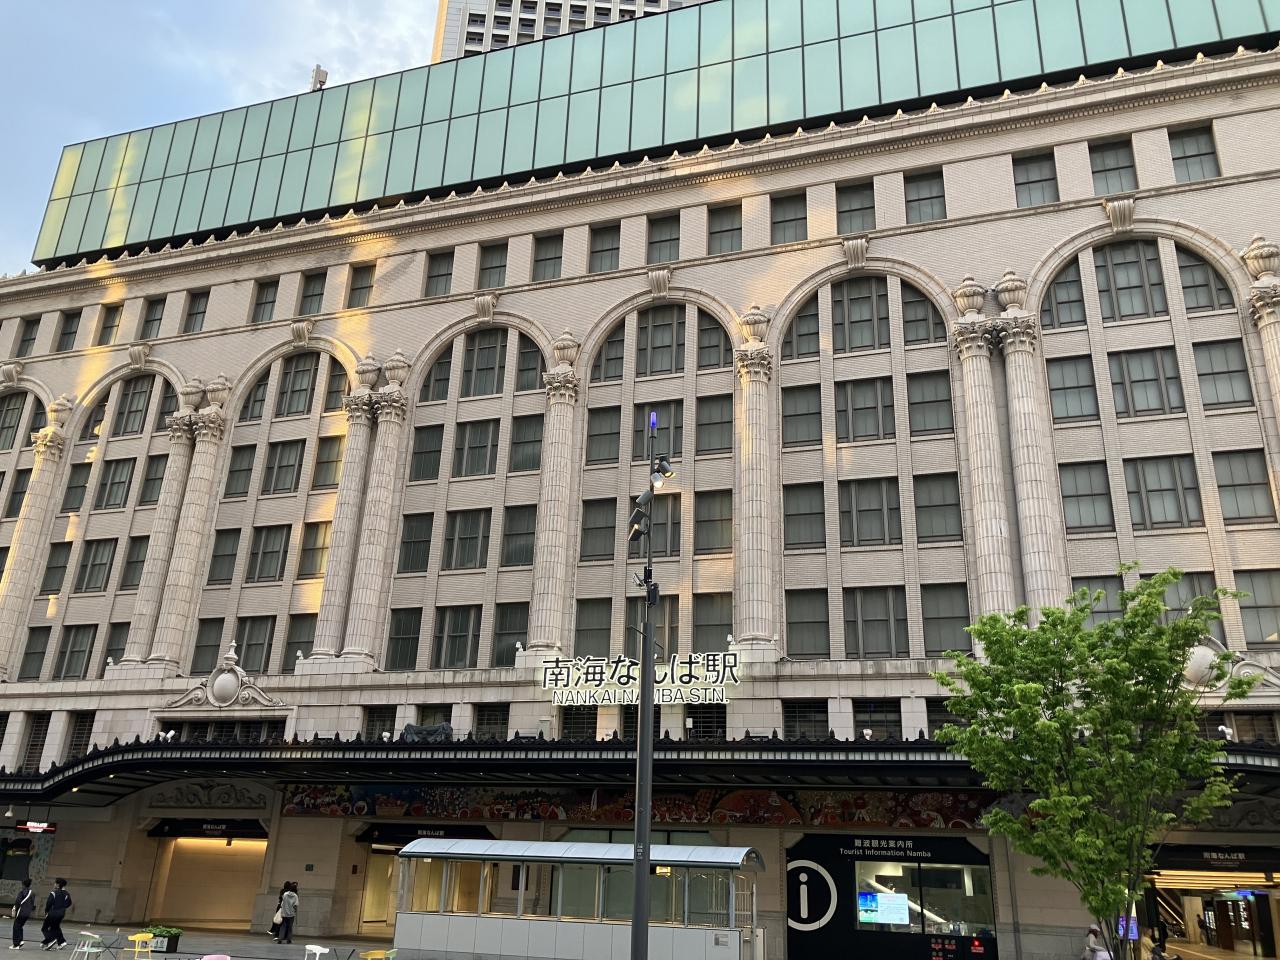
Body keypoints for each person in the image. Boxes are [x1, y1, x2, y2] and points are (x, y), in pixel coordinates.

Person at [39, 880, 70, 951]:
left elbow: (49, 903)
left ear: (58, 885)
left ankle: (49, 940)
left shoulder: (54, 893)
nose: (54, 884)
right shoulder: (67, 894)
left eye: (55, 883)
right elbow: (69, 903)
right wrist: (62, 908)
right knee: (55, 928)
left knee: (44, 928)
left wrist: (46, 911)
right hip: (61, 913)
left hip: (53, 913)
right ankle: (62, 942)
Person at [10, 879, 34, 949]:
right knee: (20, 926)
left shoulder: (22, 892)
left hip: (21, 912)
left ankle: (16, 944)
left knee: (16, 927)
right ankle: (20, 941)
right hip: (27, 913)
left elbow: (18, 902)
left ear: (23, 885)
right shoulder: (32, 893)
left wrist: (14, 909)